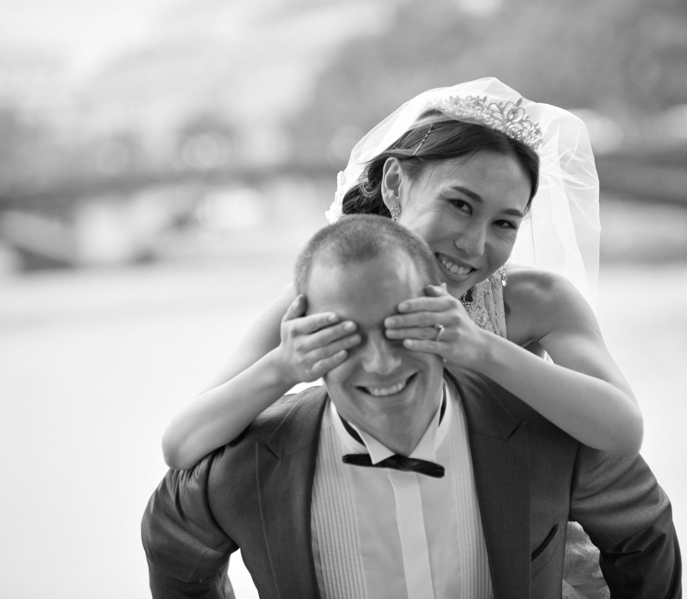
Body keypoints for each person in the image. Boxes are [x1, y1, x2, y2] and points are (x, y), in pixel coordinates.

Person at [162, 78, 637, 597]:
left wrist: (481, 349)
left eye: (505, 223)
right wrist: (284, 366)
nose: (475, 243)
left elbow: (622, 430)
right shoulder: (326, 295)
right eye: (459, 205)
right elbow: (184, 443)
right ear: (395, 185)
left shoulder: (537, 301)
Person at [141, 215, 681, 598]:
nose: (379, 363)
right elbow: (175, 541)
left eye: (399, 327)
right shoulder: (240, 467)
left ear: (438, 306)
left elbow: (642, 529)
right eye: (346, 336)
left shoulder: (548, 436)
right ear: (304, 328)